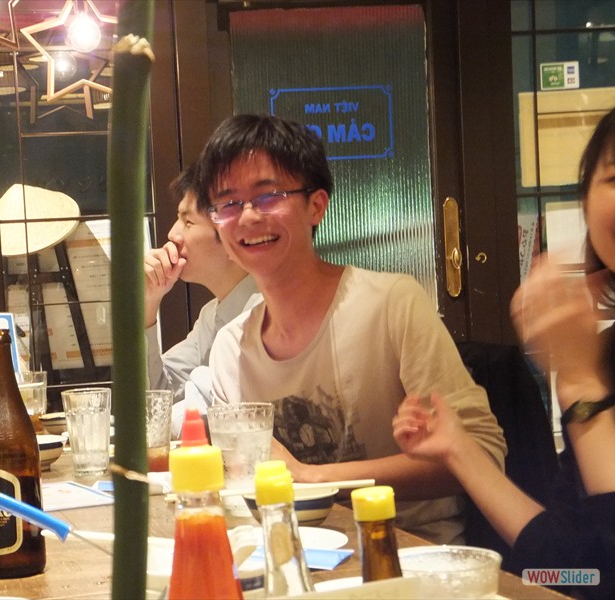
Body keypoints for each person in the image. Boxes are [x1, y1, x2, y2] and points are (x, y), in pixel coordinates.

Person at [195, 114, 505, 544]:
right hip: (289, 557)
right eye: (228, 203)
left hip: (409, 553)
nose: (247, 217)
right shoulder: (231, 350)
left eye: (268, 196)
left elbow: (482, 452)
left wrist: (312, 476)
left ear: (316, 205)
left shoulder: (391, 304)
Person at [393, 108, 615, 599]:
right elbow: (578, 567)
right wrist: (458, 450)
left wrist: (582, 389)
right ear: (586, 202)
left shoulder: (589, 375)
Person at [144, 166, 260, 409]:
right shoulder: (211, 316)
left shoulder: (266, 314)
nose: (172, 234)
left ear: (232, 238)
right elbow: (156, 399)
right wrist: (147, 304)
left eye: (188, 221)